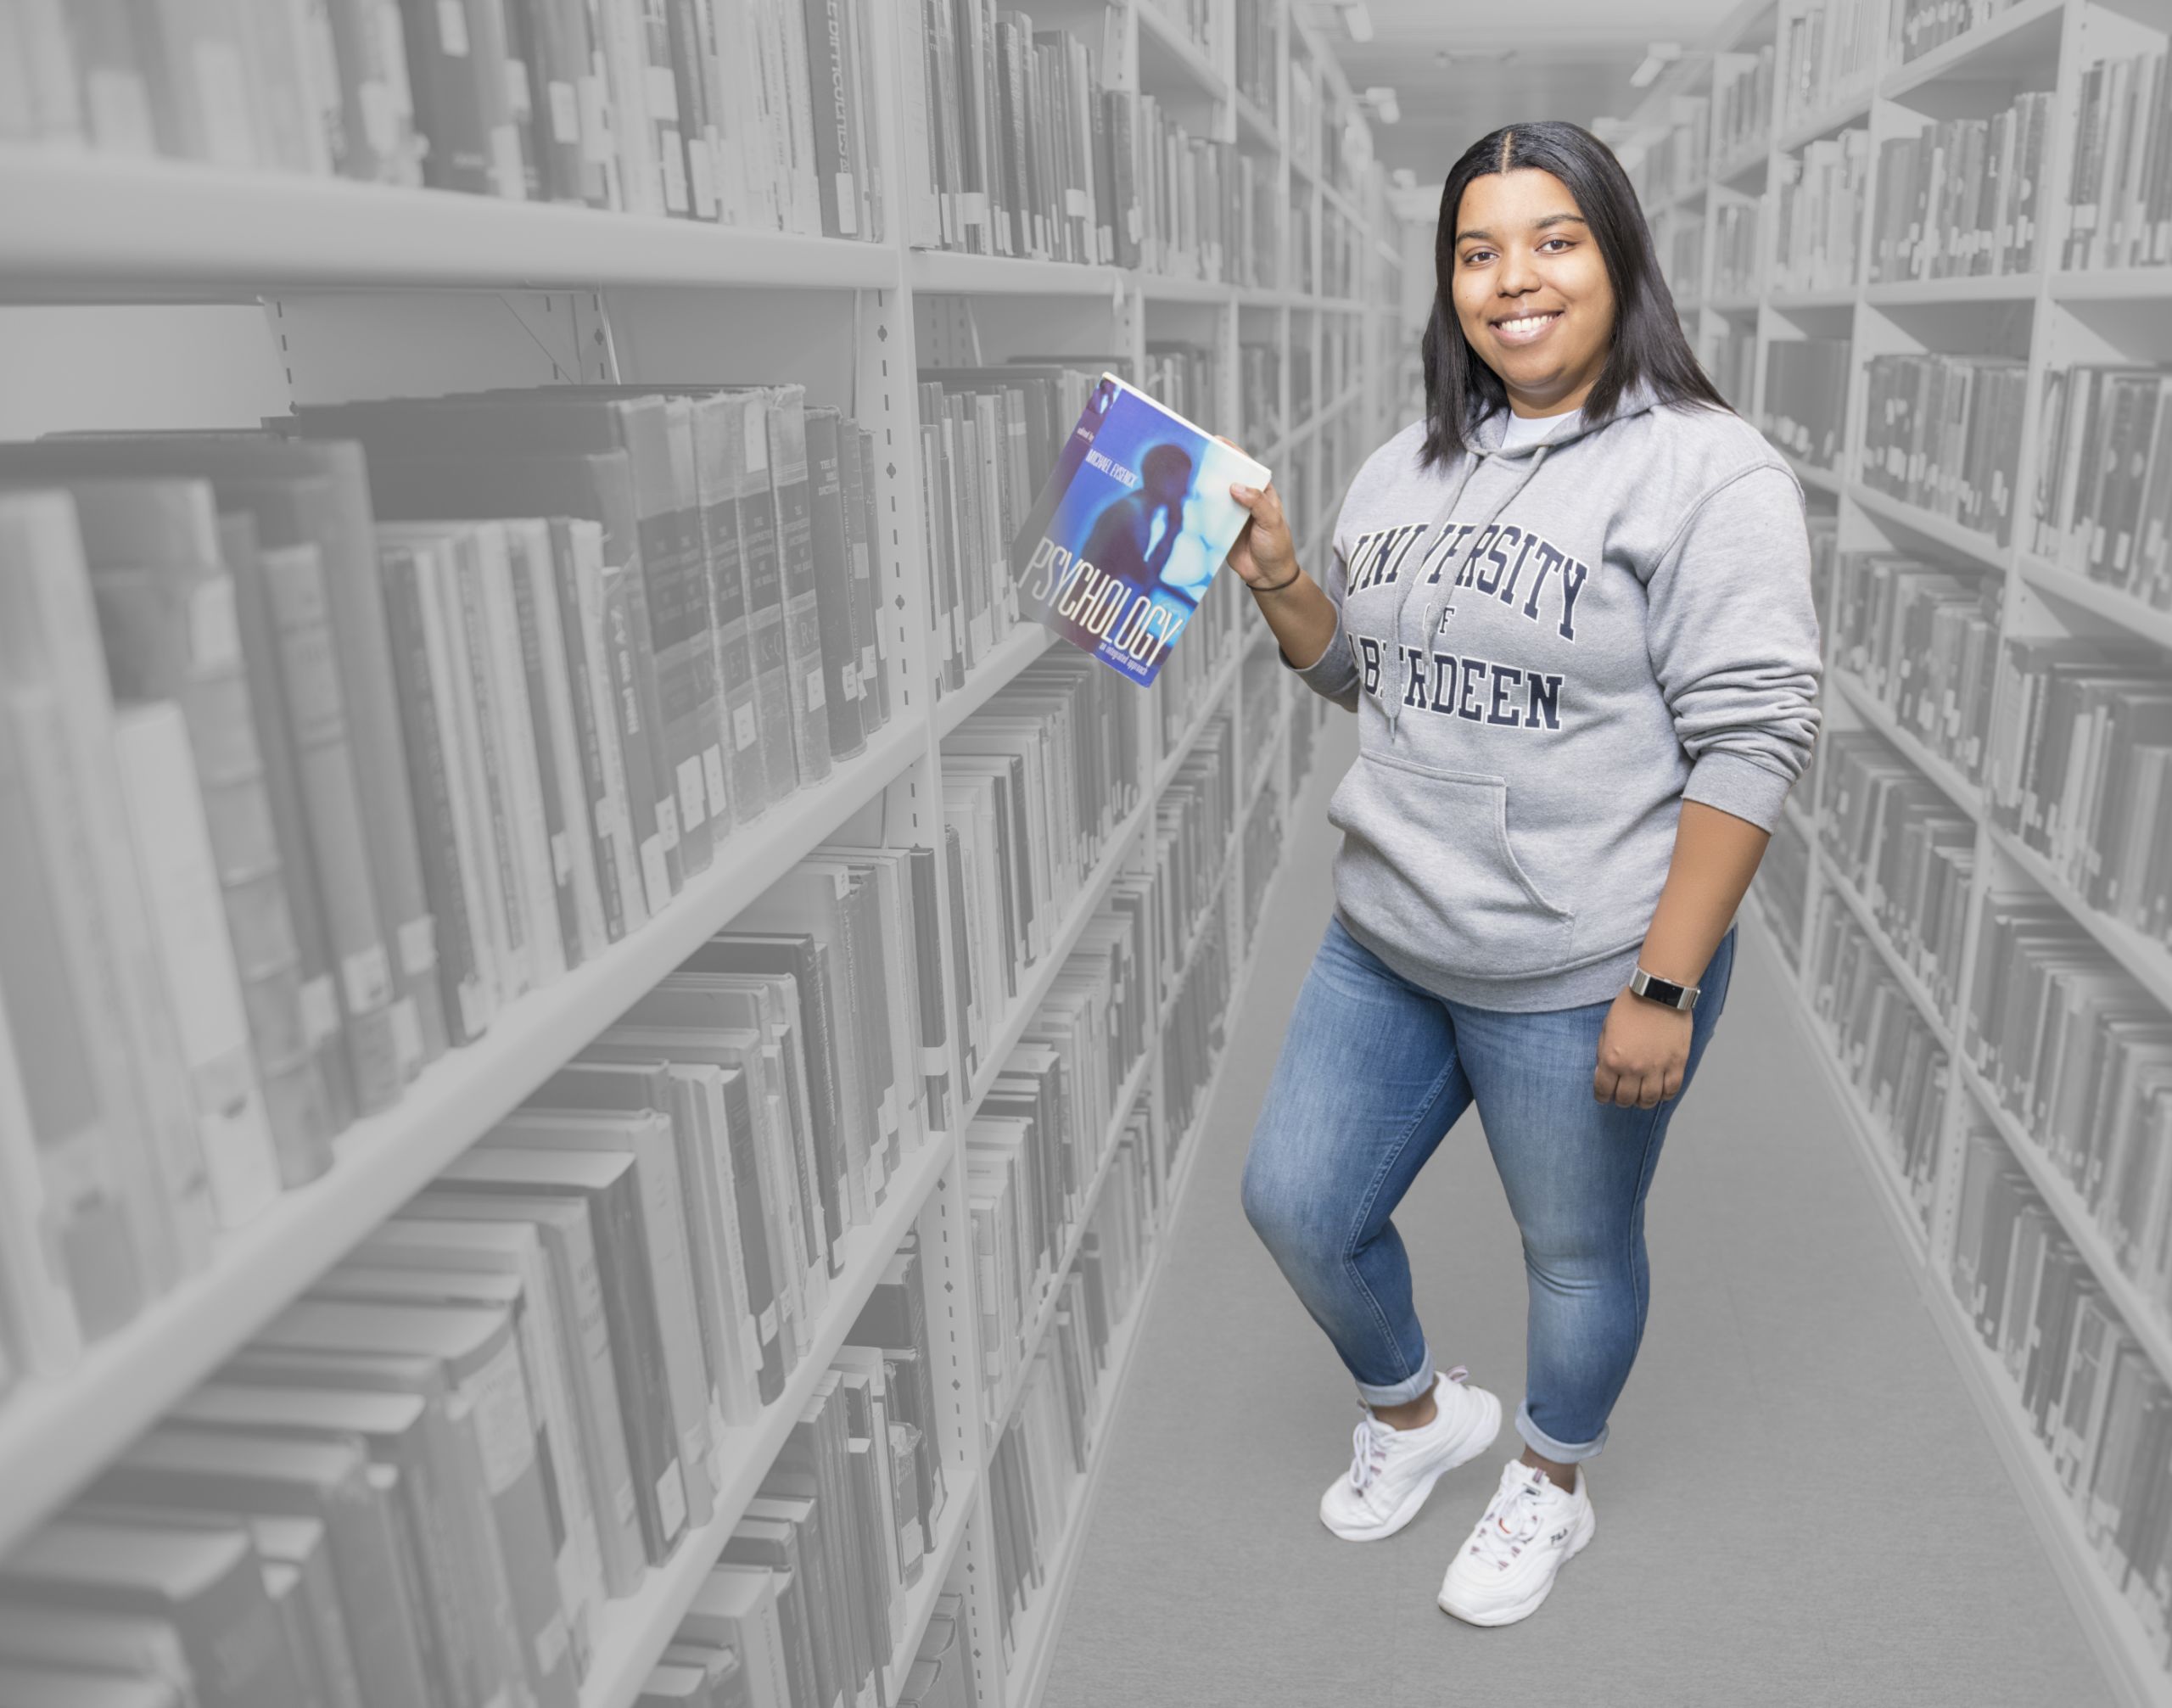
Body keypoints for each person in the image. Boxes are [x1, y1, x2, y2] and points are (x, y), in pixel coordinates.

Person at [1222, 120, 1823, 1628]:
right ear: (1449, 283)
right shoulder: (1403, 463)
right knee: (1295, 1201)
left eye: (1554, 240)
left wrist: (1664, 984)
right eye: (1478, 251)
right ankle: (1423, 1416)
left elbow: (1753, 738)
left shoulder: (1708, 471)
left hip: (1580, 964)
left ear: (1619, 255)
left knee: (1574, 1254)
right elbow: (1373, 681)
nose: (1515, 279)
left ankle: (1551, 1476)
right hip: (1389, 933)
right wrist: (1286, 582)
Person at [1081, 441, 1194, 594]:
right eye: (1182, 482)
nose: (1186, 492)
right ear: (1162, 477)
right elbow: (1145, 580)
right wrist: (1172, 530)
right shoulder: (1128, 514)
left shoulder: (1139, 514)